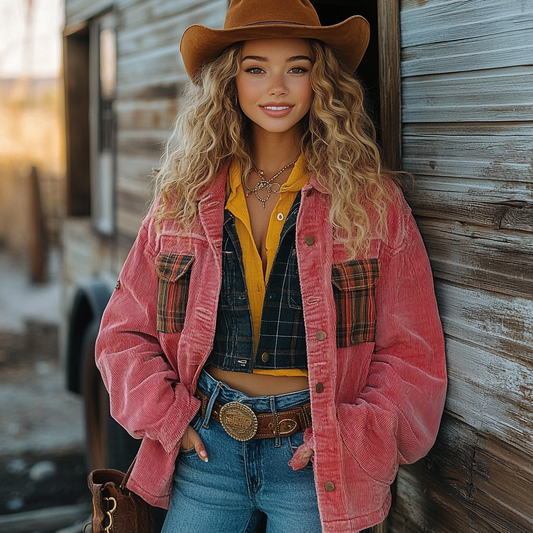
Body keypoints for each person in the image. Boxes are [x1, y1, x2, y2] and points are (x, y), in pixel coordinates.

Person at [95, 0, 447, 531]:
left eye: (296, 69)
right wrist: (170, 419)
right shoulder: (182, 201)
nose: (276, 87)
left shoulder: (372, 204)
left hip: (314, 459)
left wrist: (351, 438)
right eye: (255, 68)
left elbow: (411, 353)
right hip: (206, 450)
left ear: (319, 81)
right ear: (228, 81)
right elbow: (123, 332)